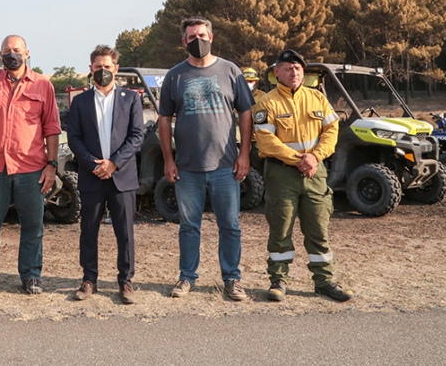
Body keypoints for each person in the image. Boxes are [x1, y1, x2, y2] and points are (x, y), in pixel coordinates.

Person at [158, 16, 254, 302]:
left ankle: (232, 279)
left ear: (211, 37)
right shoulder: (175, 76)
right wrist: (168, 159)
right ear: (183, 41)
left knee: (230, 225)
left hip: (226, 166)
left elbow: (245, 114)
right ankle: (187, 277)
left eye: (201, 34)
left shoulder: (231, 71)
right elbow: (164, 120)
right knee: (189, 226)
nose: (196, 40)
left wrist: (245, 153)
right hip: (187, 168)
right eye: (190, 37)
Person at [252, 49, 353, 302]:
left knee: (319, 230)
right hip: (281, 174)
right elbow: (266, 141)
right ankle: (278, 281)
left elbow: (332, 129)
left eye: (298, 68)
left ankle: (324, 282)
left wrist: (315, 157)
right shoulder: (267, 102)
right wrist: (301, 160)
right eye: (288, 68)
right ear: (276, 73)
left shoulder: (317, 98)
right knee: (280, 230)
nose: (294, 72)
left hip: (315, 173)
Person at [0, 35, 61, 296]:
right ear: (0, 55)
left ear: (27, 53)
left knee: (33, 227)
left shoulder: (43, 85)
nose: (12, 54)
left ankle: (31, 276)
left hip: (31, 169)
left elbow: (52, 128)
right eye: (7, 51)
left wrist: (51, 165)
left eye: (17, 50)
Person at [67, 45, 144, 304]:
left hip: (122, 177)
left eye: (107, 67)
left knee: (125, 232)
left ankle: (126, 281)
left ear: (116, 68)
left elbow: (137, 136)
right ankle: (89, 279)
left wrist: (114, 163)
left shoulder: (131, 99)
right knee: (88, 230)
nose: (103, 71)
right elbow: (74, 138)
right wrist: (93, 165)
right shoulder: (80, 102)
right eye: (98, 67)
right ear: (91, 69)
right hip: (92, 177)